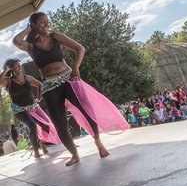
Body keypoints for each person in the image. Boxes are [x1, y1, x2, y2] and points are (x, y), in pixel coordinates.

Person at [12, 12, 129, 166]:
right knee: (60, 124)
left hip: (69, 78)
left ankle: (98, 142)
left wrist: (75, 68)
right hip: (49, 86)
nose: (47, 24)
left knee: (87, 110)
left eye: (47, 21)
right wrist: (28, 29)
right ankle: (74, 154)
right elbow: (16, 41)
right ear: (34, 25)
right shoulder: (30, 46)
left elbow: (80, 48)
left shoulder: (56, 36)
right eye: (42, 22)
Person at [0, 58, 61, 158]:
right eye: (17, 67)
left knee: (46, 126)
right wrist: (6, 70)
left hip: (33, 107)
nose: (20, 68)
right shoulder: (8, 82)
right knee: (32, 125)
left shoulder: (27, 78)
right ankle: (36, 152)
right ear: (12, 69)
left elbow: (39, 84)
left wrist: (39, 97)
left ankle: (41, 142)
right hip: (19, 110)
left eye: (21, 66)